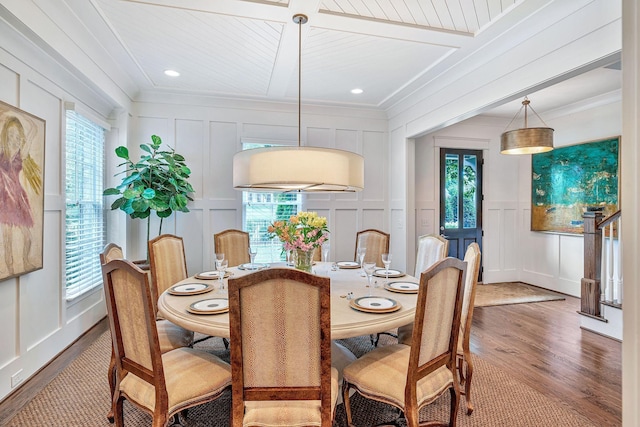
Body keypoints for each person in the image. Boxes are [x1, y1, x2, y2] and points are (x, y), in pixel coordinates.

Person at [0, 116, 42, 276]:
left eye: (17, 137)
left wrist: (25, 117)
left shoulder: (21, 154)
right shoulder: (1, 153)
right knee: (7, 236)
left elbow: (34, 129)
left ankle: (25, 260)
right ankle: (9, 268)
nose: (14, 140)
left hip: (18, 199)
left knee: (28, 236)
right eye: (10, 135)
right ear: (5, 136)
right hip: (4, 198)